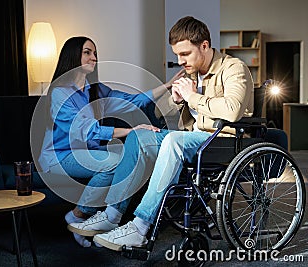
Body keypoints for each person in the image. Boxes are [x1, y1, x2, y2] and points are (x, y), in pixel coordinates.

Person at [68, 16, 254, 251]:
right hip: (192, 139)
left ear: (204, 46)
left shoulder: (233, 68)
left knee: (174, 140)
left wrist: (192, 97)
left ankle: (140, 226)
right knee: (138, 136)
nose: (180, 61)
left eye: (185, 54)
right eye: (177, 54)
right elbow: (164, 115)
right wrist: (177, 102)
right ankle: (113, 214)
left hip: (221, 141)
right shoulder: (192, 74)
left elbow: (233, 110)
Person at [39, 36, 184, 247]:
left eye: (95, 53)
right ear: (72, 56)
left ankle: (105, 222)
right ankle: (78, 215)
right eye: (87, 52)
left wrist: (167, 86)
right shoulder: (60, 93)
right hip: (59, 156)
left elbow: (132, 101)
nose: (94, 57)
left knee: (127, 160)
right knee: (114, 163)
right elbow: (86, 132)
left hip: (88, 153)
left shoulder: (95, 90)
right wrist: (131, 130)